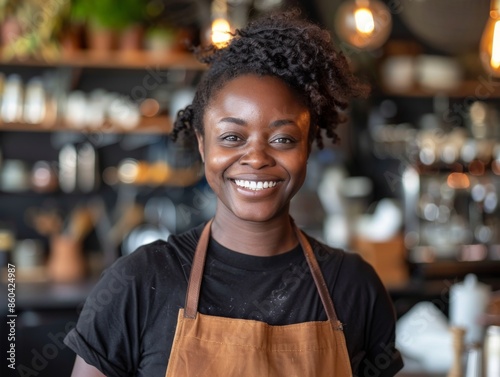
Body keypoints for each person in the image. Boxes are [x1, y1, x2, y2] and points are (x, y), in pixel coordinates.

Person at [64, 9, 404, 377]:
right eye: (232, 137)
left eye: (283, 138)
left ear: (306, 148)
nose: (256, 158)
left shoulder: (355, 287)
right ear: (202, 145)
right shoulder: (139, 282)